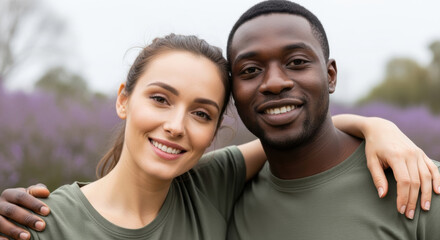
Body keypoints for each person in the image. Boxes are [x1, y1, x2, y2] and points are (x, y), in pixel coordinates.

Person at [0, 5, 439, 240]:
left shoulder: (210, 188)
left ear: (214, 132)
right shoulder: (42, 223)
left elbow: (300, 132)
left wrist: (378, 126)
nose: (176, 125)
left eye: (202, 113)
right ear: (123, 99)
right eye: (160, 99)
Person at [224, 1, 440, 239]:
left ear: (330, 76)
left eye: (296, 62)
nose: (275, 83)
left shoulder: (421, 183)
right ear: (233, 91)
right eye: (251, 70)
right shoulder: (222, 196)